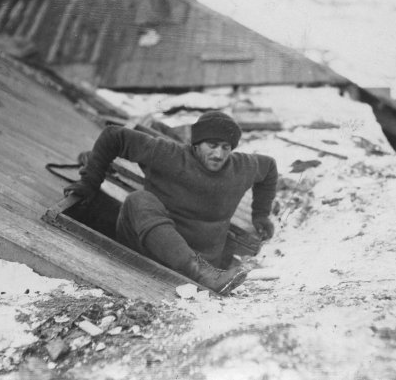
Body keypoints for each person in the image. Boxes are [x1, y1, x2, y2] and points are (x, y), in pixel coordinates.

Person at [64, 111, 278, 295]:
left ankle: (203, 271)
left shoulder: (241, 167)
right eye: (211, 145)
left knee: (140, 200)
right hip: (147, 246)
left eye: (226, 147)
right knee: (138, 200)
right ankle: (200, 271)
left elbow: (269, 168)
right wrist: (90, 183)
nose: (219, 154)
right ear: (196, 144)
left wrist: (260, 214)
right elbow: (113, 137)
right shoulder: (170, 155)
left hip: (207, 262)